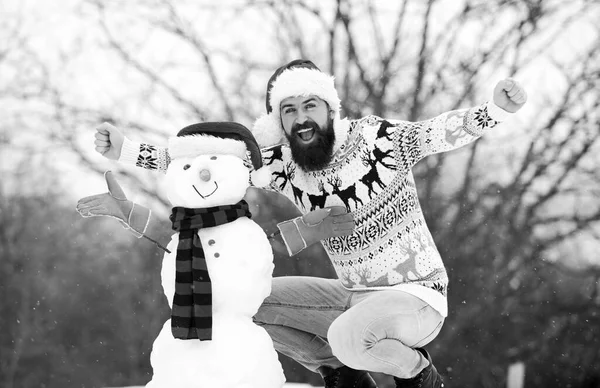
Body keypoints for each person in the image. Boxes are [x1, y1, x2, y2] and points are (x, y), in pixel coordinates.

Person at [86, 59, 527, 388]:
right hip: (353, 294)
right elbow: (209, 160)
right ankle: (338, 372)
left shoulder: (379, 139)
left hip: (416, 297)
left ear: (330, 109)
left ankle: (420, 375)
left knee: (351, 338)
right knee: (245, 303)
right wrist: (128, 152)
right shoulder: (285, 166)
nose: (301, 119)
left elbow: (439, 130)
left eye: (310, 106)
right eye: (290, 110)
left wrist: (495, 110)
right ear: (279, 121)